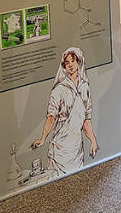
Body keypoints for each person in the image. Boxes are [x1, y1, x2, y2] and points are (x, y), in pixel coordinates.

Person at [31, 46, 97, 175]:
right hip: (61, 144)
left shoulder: (84, 86)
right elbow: (51, 116)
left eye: (73, 61)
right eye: (67, 62)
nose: (71, 65)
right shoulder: (59, 89)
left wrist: (93, 140)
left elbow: (86, 119)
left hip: (77, 145)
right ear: (64, 66)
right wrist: (43, 138)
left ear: (79, 62)